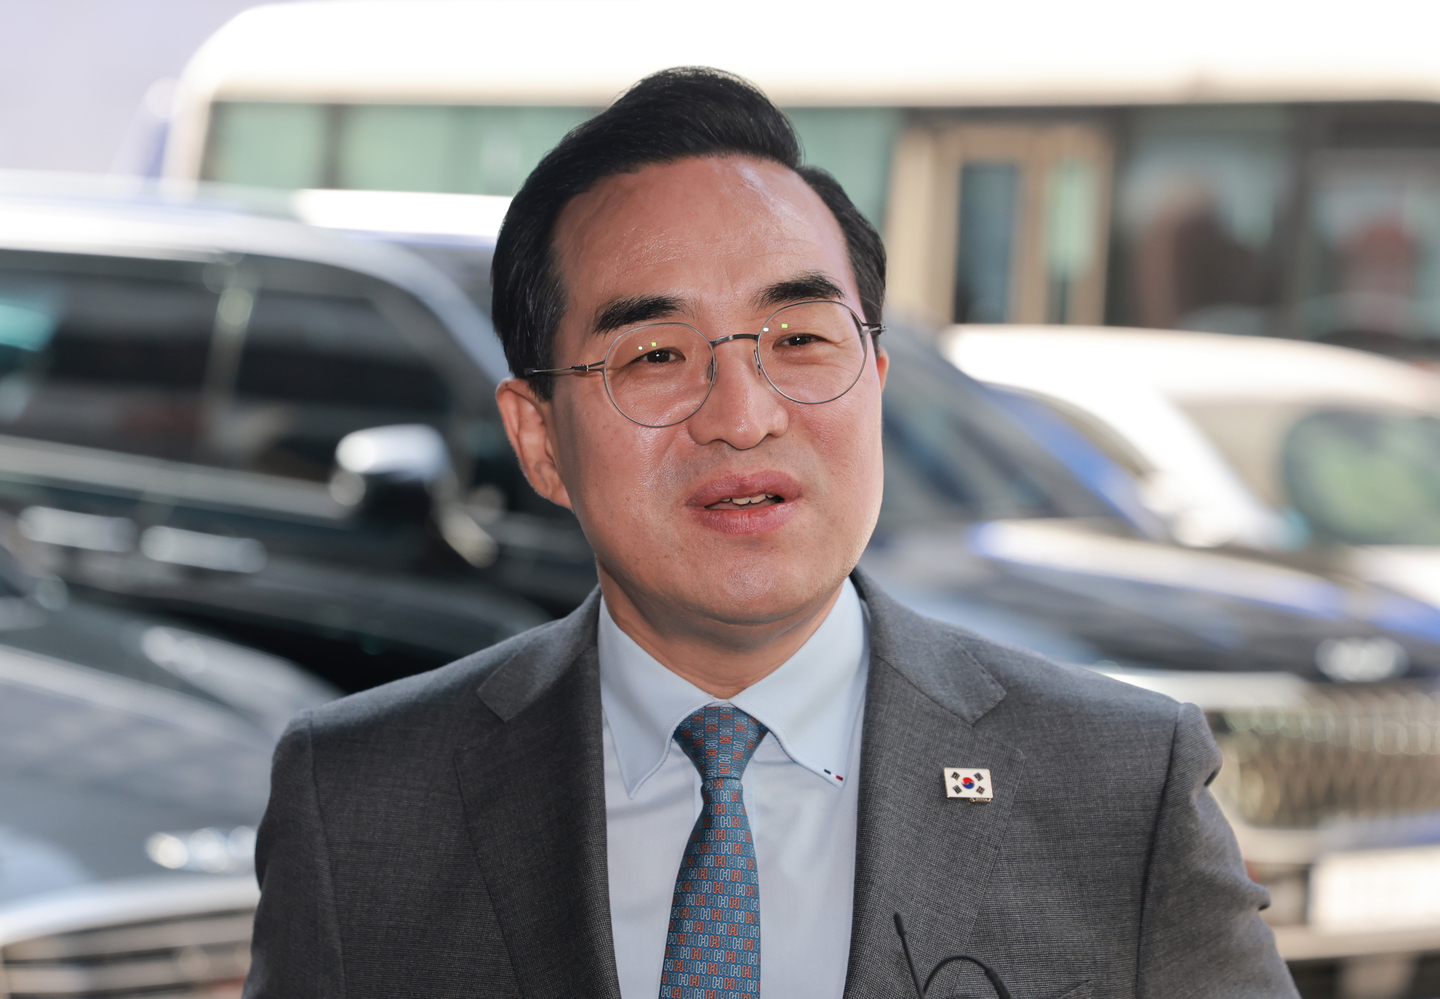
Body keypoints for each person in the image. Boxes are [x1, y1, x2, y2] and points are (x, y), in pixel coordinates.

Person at [243, 68, 1297, 999]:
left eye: (798, 338)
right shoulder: (361, 806)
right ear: (540, 440)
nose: (742, 413)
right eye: (655, 355)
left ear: (874, 384)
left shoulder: (1118, 784)